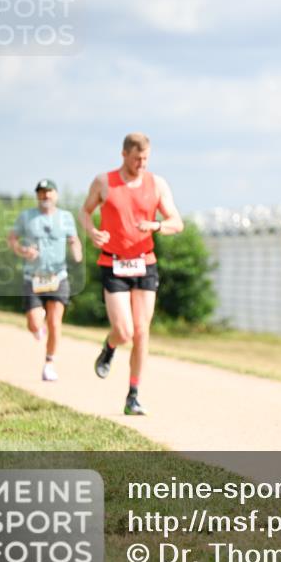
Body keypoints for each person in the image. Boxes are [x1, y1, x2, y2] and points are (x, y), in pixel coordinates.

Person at [79, 133, 183, 415]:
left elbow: (177, 222)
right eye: (137, 158)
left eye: (146, 159)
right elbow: (84, 212)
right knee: (124, 331)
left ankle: (133, 395)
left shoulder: (157, 184)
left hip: (144, 263)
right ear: (124, 155)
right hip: (113, 264)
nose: (142, 164)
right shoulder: (104, 182)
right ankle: (110, 346)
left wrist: (156, 226)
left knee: (141, 331)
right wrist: (92, 232)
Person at [7, 179, 83, 381]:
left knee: (55, 322)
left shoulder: (66, 217)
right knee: (34, 323)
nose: (46, 195)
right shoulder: (26, 217)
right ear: (37, 195)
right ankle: (38, 329)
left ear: (56, 194)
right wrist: (22, 250)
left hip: (58, 277)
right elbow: (12, 239)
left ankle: (49, 364)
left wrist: (77, 251)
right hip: (33, 278)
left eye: (49, 191)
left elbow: (74, 240)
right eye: (41, 192)